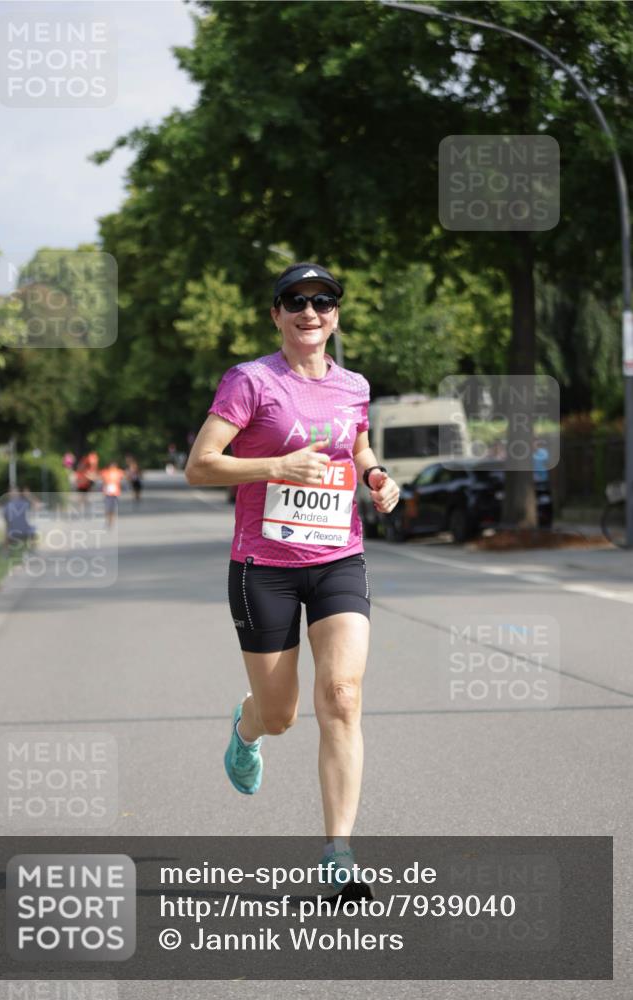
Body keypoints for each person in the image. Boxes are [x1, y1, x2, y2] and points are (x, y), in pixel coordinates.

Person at [186, 262, 400, 892]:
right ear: (275, 313)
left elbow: (356, 447)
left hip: (338, 556)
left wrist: (376, 477)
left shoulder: (354, 385)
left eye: (324, 301)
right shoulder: (250, 382)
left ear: (336, 313)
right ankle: (246, 726)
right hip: (264, 568)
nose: (311, 312)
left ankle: (338, 855)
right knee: (281, 715)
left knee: (342, 697)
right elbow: (202, 465)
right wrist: (275, 466)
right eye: (296, 301)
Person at [100, 461, 126, 529]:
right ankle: (107, 521)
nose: (112, 467)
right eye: (111, 465)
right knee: (107, 508)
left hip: (115, 493)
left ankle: (112, 522)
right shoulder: (105, 472)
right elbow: (102, 479)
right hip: (107, 493)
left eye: (114, 466)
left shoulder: (119, 472)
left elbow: (124, 477)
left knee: (113, 509)